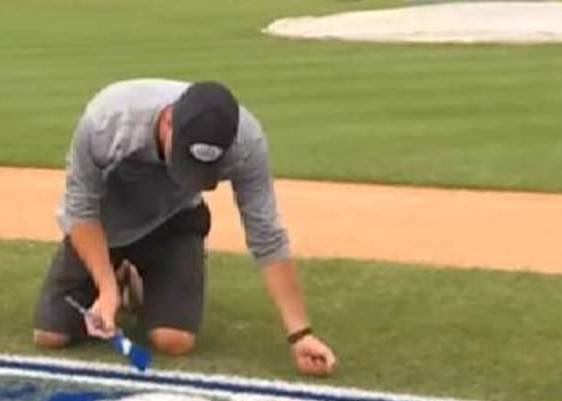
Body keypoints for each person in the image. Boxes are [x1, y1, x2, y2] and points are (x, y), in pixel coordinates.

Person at [33, 78, 338, 377]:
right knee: (51, 337)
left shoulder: (246, 143)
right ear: (167, 120)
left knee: (174, 341)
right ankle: (118, 275)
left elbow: (266, 234)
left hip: (174, 220)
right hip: (105, 224)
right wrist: (106, 287)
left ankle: (138, 282)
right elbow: (80, 209)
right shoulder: (108, 121)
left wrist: (300, 335)